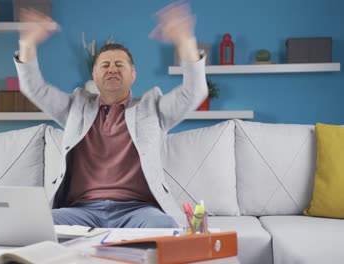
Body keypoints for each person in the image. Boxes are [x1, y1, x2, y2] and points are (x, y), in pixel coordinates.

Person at [14, 1, 208, 228]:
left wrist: (185, 41)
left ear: (133, 74)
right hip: (81, 210)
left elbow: (194, 91)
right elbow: (35, 88)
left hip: (138, 211)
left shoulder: (152, 108)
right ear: (94, 76)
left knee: (164, 227)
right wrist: (27, 43)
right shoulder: (76, 107)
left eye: (119, 64)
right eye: (104, 65)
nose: (112, 69)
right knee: (35, 225)